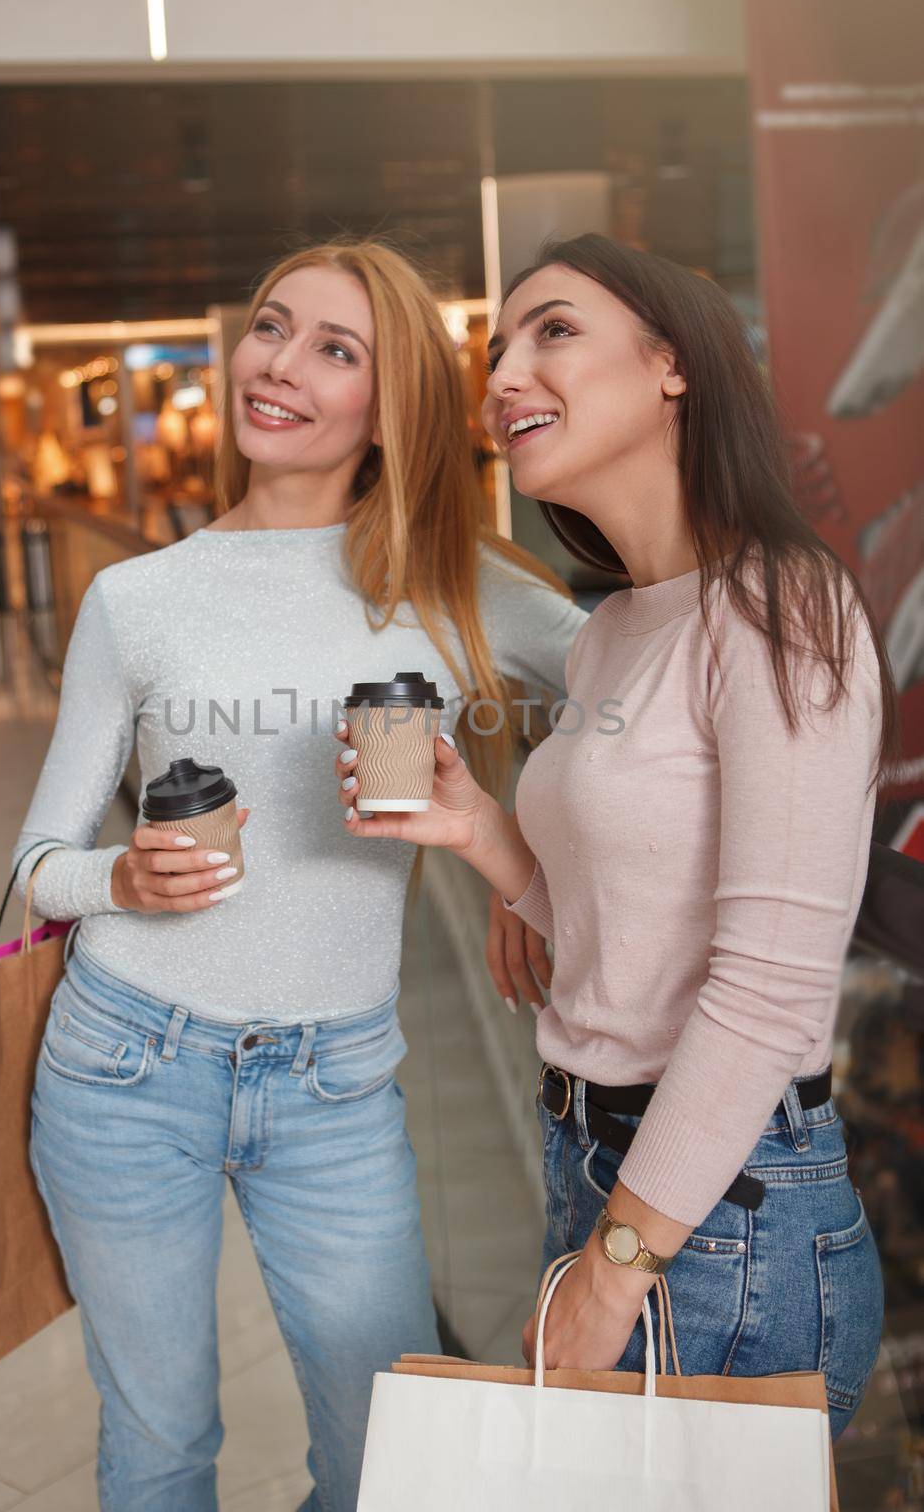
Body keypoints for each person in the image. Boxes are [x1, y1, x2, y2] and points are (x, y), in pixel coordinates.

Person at [12, 238, 587, 1512]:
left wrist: (510, 851)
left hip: (333, 1085)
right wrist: (123, 877)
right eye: (272, 327)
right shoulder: (135, 596)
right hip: (124, 1066)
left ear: (388, 413)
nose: (278, 365)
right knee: (159, 1447)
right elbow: (40, 861)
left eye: (336, 350)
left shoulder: (450, 586)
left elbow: (641, 692)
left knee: (384, 1455)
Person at [335, 233, 899, 1439]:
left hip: (721, 1213)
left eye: (552, 330)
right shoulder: (614, 627)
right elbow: (634, 935)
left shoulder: (781, 606)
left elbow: (762, 989)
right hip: (601, 1168)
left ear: (669, 365)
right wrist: (479, 831)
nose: (502, 376)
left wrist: (613, 1268)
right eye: (494, 352)